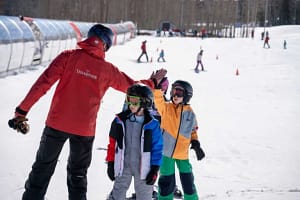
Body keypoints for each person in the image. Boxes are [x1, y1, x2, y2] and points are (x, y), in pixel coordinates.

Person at [8, 24, 167, 200]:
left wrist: (21, 111)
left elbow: (42, 84)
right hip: (84, 130)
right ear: (106, 45)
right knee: (78, 175)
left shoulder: (68, 57)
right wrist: (152, 82)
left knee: (42, 168)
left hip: (56, 124)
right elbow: (132, 86)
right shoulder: (107, 70)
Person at [106, 84, 163, 200]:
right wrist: (111, 162)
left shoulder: (152, 125)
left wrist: (155, 169)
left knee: (144, 195)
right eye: (129, 100)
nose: (130, 105)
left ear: (145, 103)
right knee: (118, 193)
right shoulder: (119, 121)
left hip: (144, 168)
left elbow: (157, 148)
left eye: (134, 102)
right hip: (123, 165)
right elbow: (112, 144)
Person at [153, 80, 205, 200]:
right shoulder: (166, 108)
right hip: (166, 153)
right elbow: (158, 101)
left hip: (182, 154)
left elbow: (193, 131)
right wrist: (157, 89)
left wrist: (196, 144)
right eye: (174, 91)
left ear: (187, 95)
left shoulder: (190, 114)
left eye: (179, 92)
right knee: (166, 181)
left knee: (188, 181)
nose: (175, 95)